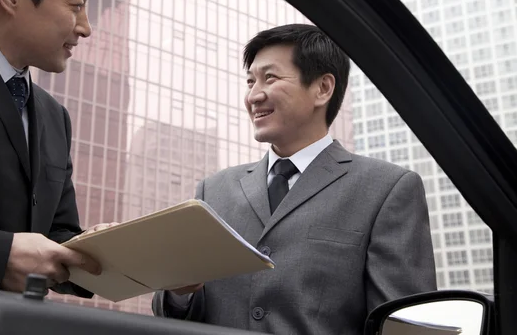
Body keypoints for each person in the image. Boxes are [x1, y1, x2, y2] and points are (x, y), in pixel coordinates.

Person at [152, 24, 436, 334]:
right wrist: (180, 291)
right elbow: (175, 316)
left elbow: (402, 325)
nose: (253, 95)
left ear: (323, 88)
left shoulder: (387, 189)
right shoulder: (213, 191)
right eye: (250, 82)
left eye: (269, 78)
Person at [0, 0, 112, 296]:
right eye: (76, 6)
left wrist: (110, 251)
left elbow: (57, 234)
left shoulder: (54, 116)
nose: (85, 28)